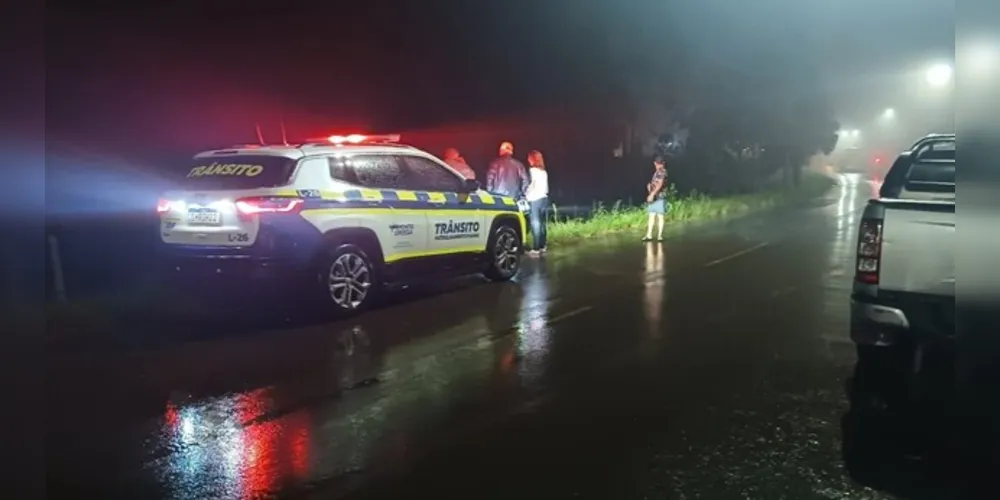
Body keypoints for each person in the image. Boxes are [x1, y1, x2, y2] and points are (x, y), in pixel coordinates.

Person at [524, 150, 550, 255]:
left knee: (536, 224)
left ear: (532, 159)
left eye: (529, 158)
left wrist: (526, 193)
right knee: (543, 224)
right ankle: (543, 246)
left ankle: (535, 249)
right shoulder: (543, 171)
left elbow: (531, 185)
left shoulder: (532, 171)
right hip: (544, 198)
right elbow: (546, 188)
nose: (528, 160)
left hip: (534, 199)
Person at [643, 157, 670, 242]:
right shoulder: (656, 172)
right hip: (654, 196)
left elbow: (660, 185)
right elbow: (654, 183)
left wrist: (652, 194)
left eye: (658, 164)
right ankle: (649, 235)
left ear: (662, 164)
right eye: (656, 164)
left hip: (659, 196)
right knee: (651, 216)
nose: (656, 165)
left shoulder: (662, 172)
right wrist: (650, 188)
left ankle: (659, 236)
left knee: (660, 216)